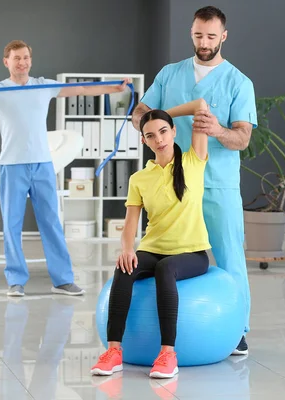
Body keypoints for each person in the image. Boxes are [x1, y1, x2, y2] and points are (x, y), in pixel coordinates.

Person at [0, 40, 130, 297]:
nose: (22, 62)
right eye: (17, 58)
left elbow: (81, 88)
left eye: (26, 57)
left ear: (30, 60)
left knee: (51, 222)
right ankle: (16, 280)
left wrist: (115, 87)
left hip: (42, 165)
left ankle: (62, 280)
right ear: (7, 62)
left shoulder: (44, 86)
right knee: (12, 225)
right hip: (12, 166)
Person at [131, 6, 257, 355]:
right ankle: (157, 328)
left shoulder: (238, 82)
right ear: (192, 33)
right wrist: (158, 120)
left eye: (211, 36)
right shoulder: (170, 75)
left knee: (230, 255)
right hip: (172, 184)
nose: (204, 42)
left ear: (224, 37)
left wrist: (217, 130)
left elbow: (242, 138)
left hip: (217, 183)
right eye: (199, 35)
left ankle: (238, 330)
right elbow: (140, 113)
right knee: (162, 252)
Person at [90, 98, 210, 379]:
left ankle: (168, 353)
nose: (159, 139)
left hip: (192, 253)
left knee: (165, 269)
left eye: (164, 131)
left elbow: (201, 106)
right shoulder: (139, 178)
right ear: (144, 141)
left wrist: (165, 114)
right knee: (124, 266)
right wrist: (127, 249)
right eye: (151, 135)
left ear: (173, 131)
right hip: (153, 248)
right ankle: (114, 351)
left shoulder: (194, 160)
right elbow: (131, 222)